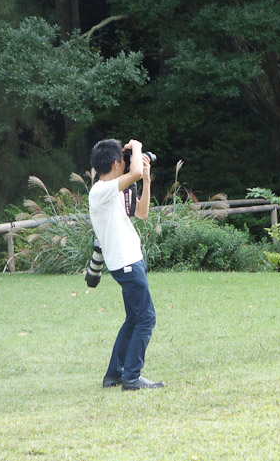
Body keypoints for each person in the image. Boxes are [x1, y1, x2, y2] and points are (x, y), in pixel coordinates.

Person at [89, 138, 164, 390]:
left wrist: (146, 180)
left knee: (133, 319)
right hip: (126, 263)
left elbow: (141, 213)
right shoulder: (101, 190)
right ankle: (132, 377)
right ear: (115, 163)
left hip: (131, 260)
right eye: (123, 159)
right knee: (146, 319)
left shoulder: (114, 191)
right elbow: (134, 171)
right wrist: (136, 145)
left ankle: (115, 374)